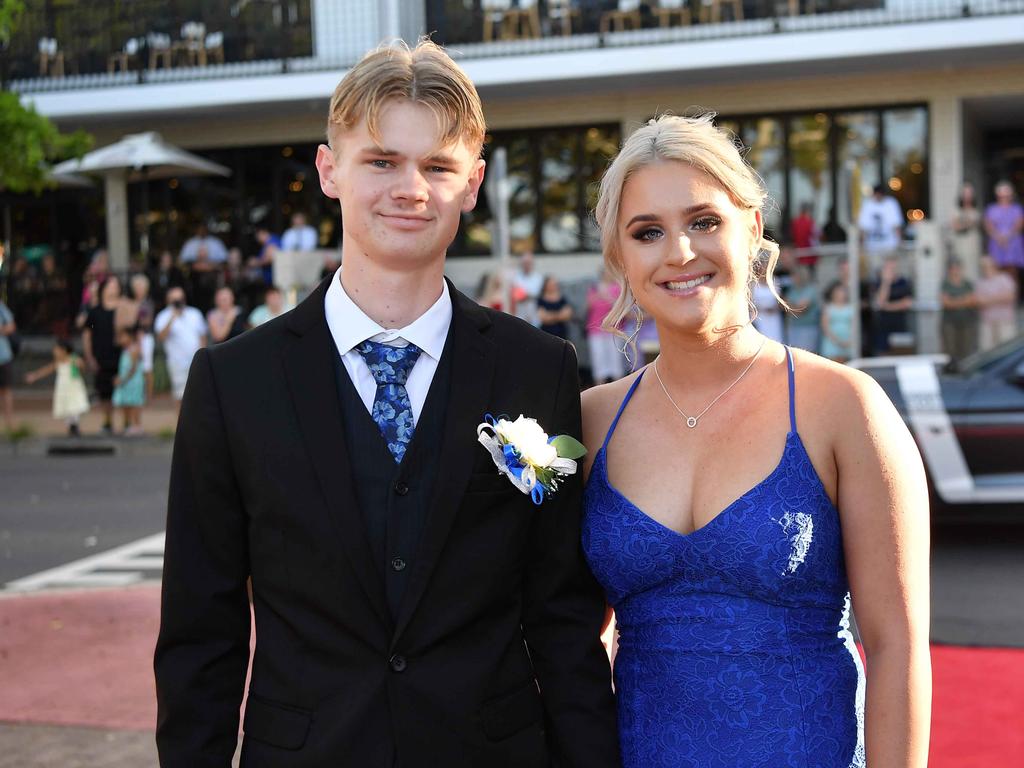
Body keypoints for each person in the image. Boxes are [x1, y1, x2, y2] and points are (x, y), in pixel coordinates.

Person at [154, 39, 619, 768]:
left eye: (437, 166)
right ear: (329, 170)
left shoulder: (540, 370)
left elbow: (563, 616)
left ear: (473, 184)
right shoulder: (231, 382)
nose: (411, 188)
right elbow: (199, 631)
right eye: (381, 161)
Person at [581, 114, 930, 767]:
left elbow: (896, 647)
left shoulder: (845, 407)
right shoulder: (590, 422)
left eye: (704, 221)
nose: (680, 251)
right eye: (648, 232)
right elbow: (571, 638)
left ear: (752, 229)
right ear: (621, 259)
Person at [24, 339, 91, 437]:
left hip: (74, 389)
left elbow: (83, 369)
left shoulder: (74, 359)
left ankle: (74, 425)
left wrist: (81, 365)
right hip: (63, 390)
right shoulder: (58, 362)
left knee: (75, 406)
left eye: (56, 349)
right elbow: (47, 370)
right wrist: (34, 376)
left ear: (63, 350)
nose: (54, 352)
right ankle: (71, 426)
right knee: (66, 408)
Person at [154, 286, 207, 407]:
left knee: (200, 394)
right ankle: (181, 425)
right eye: (175, 300)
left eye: (180, 299)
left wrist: (202, 357)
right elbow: (161, 337)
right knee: (180, 397)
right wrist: (172, 317)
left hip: (196, 362)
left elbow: (202, 336)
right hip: (176, 363)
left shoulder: (195, 313)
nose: (178, 302)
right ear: (168, 301)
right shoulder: (163, 316)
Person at [83, 276, 123, 434]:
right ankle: (107, 422)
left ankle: (127, 422)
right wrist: (89, 356)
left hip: (122, 356)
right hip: (102, 356)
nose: (114, 289)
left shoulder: (123, 308)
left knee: (124, 390)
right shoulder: (95, 311)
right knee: (104, 391)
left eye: (116, 286)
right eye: (110, 286)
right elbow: (87, 334)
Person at [984, 180, 1024, 298]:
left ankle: (1012, 298)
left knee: (1012, 272)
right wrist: (998, 237)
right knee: (996, 271)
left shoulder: (1017, 209)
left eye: (1007, 195)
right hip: (997, 244)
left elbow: (1019, 225)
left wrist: (1007, 237)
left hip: (1013, 244)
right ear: (997, 196)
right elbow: (988, 225)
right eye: (1002, 196)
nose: (1004, 198)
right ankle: (998, 297)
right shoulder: (991, 209)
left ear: (1011, 196)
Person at [587, 268, 626, 384]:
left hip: (614, 330)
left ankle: (617, 389)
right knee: (598, 360)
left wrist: (606, 296)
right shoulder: (594, 287)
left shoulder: (618, 288)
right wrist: (597, 295)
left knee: (616, 361)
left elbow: (620, 307)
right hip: (596, 330)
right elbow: (589, 306)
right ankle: (599, 387)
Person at [872, 256, 914, 355]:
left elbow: (906, 303)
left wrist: (887, 306)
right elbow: (880, 302)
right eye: (888, 268)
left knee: (900, 352)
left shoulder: (903, 282)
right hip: (883, 325)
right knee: (883, 353)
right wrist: (886, 282)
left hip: (899, 323)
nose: (891, 271)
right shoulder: (879, 283)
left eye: (893, 268)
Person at [975, 254, 1018, 350]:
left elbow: (1010, 297)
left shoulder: (1005, 278)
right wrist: (999, 298)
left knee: (1006, 349)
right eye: (983, 266)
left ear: (994, 265)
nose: (985, 268)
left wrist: (988, 299)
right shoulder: (980, 282)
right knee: (986, 350)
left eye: (987, 265)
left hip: (1004, 321)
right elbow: (979, 302)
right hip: (987, 322)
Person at [857, 183, 904, 269]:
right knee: (876, 270)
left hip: (889, 245)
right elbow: (863, 228)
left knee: (891, 270)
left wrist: (899, 242)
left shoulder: (891, 204)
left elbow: (896, 225)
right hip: (873, 247)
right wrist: (862, 246)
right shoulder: (868, 205)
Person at [940, 259, 978, 362]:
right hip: (950, 322)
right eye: (953, 269)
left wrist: (954, 301)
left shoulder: (967, 284)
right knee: (950, 349)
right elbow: (946, 303)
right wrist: (963, 300)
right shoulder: (945, 284)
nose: (955, 271)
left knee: (965, 348)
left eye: (957, 268)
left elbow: (972, 301)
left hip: (967, 321)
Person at [112, 326, 145, 435]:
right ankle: (130, 424)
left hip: (133, 381)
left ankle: (137, 425)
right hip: (126, 381)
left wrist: (122, 380)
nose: (120, 339)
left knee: (134, 403)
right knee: (127, 402)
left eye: (123, 337)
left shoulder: (134, 350)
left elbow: (133, 368)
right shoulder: (125, 350)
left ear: (130, 337)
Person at [949, 182, 983, 280]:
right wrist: (968, 223)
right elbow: (955, 226)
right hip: (959, 243)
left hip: (972, 243)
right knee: (959, 265)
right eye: (965, 193)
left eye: (969, 193)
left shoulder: (976, 210)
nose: (967, 196)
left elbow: (975, 222)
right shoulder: (955, 210)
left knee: (973, 266)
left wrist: (963, 223)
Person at [785, 265, 820, 353]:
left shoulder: (810, 290)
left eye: (795, 275)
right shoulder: (792, 290)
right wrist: (792, 307)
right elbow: (785, 307)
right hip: (794, 327)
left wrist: (791, 307)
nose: (792, 278)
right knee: (794, 355)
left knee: (807, 355)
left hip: (808, 328)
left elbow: (801, 309)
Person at [820, 281, 856, 363]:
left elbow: (854, 325)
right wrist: (837, 341)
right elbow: (825, 326)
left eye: (842, 291)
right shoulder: (828, 307)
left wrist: (850, 340)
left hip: (848, 341)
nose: (841, 294)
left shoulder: (850, 307)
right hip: (832, 341)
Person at [511, 250, 544, 327]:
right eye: (524, 263)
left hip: (535, 315)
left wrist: (524, 295)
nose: (526, 265)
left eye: (528, 263)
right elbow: (515, 295)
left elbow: (538, 294)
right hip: (519, 314)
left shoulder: (539, 277)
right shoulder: (515, 277)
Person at [537, 275, 573, 340]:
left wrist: (550, 315)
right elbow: (543, 317)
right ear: (546, 286)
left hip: (562, 333)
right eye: (551, 284)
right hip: (546, 333)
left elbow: (567, 315)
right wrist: (559, 315)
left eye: (555, 284)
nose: (553, 286)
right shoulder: (541, 299)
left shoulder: (562, 298)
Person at [0, 297, 16, 432]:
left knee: (6, 390)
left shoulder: (0, 307)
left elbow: (11, 326)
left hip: (3, 356)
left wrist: (2, 330)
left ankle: (9, 425)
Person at [789, 201, 820, 269]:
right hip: (810, 255)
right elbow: (817, 235)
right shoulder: (810, 222)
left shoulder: (795, 222)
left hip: (799, 255)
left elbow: (792, 236)